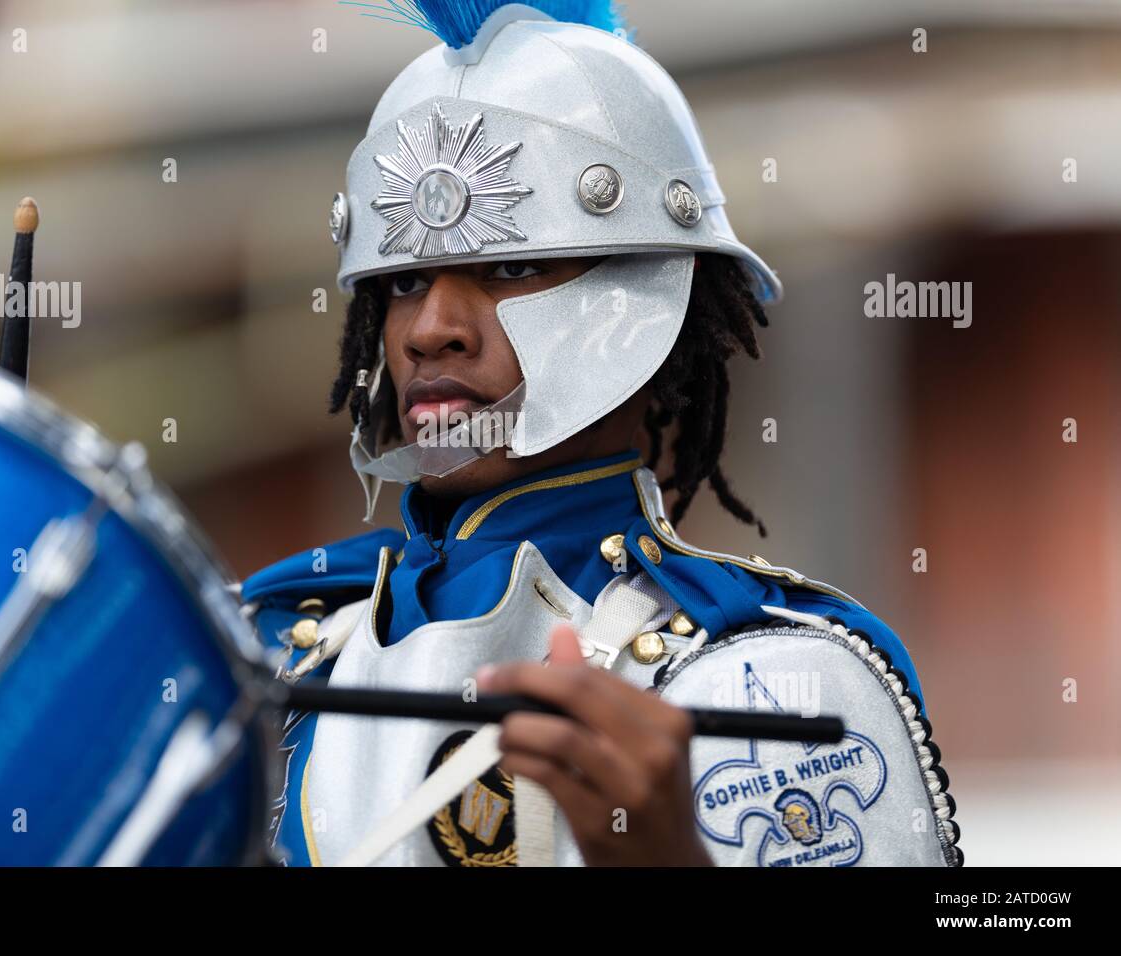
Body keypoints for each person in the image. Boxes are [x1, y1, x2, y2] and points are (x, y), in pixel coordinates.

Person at [241, 0, 961, 867]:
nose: (431, 328)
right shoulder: (273, 651)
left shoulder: (770, 675)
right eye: (403, 281)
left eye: (509, 267)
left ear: (649, 303)